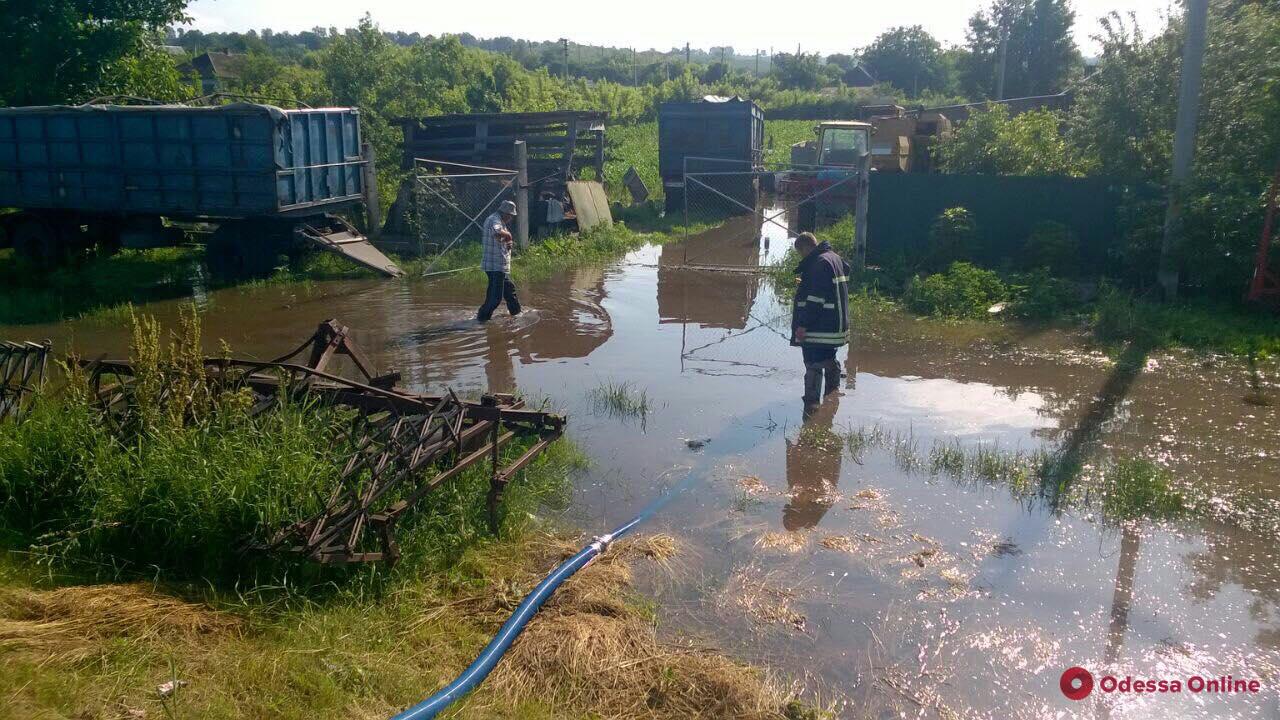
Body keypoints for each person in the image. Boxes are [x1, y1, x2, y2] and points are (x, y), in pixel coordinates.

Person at [790, 231, 850, 408]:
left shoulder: (819, 263)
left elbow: (816, 299)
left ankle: (811, 403)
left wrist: (803, 325)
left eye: (800, 253)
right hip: (834, 324)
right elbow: (841, 276)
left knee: (812, 361)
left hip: (820, 326)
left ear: (805, 248)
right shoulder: (833, 258)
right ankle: (832, 395)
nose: (801, 256)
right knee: (828, 356)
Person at [477, 199, 522, 322]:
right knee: (494, 300)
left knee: (510, 291)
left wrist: (508, 241)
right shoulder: (494, 219)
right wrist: (509, 236)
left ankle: (517, 315)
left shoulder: (500, 220)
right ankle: (481, 319)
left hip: (499, 266)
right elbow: (497, 231)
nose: (511, 218)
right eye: (511, 216)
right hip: (495, 266)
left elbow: (498, 237)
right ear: (505, 213)